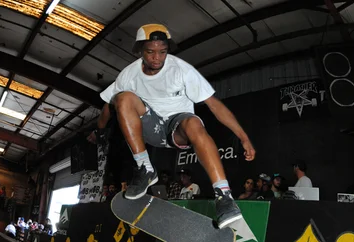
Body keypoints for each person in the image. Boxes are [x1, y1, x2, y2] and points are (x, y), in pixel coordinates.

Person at [90, 23, 255, 228]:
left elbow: (214, 105)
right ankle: (145, 168)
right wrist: (99, 131)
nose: (157, 58)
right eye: (150, 52)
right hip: (149, 125)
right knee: (122, 99)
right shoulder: (128, 74)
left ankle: (224, 197)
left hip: (178, 128)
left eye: (162, 52)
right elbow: (108, 106)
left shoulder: (182, 70)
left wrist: (244, 137)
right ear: (140, 50)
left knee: (194, 124)